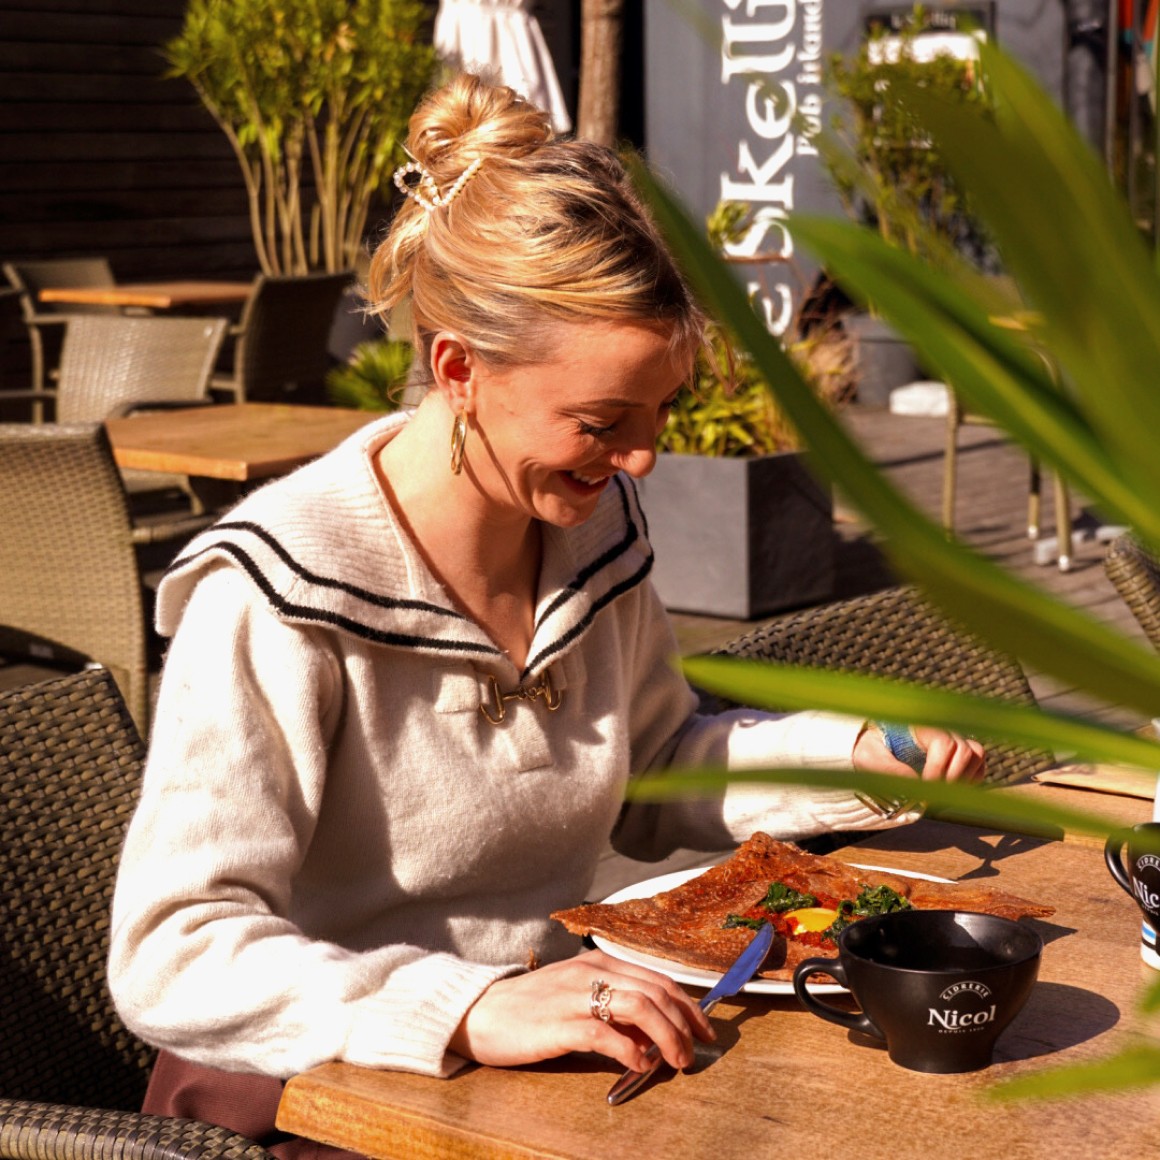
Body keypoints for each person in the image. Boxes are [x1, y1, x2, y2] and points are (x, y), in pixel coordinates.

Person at [107, 73, 984, 1152]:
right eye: (600, 420)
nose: (641, 458)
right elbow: (173, 950)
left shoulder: (590, 531)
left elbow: (654, 766)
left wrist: (843, 758)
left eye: (658, 411)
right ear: (457, 367)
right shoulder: (277, 594)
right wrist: (463, 1004)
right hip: (313, 1093)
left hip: (544, 1064)